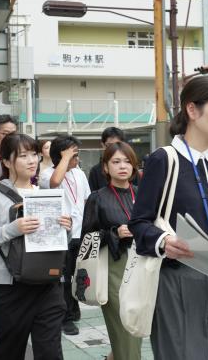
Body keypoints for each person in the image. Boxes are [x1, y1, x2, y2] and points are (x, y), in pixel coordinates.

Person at [129, 75, 208, 359]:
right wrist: (162, 241)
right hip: (179, 277)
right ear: (192, 110)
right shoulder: (164, 159)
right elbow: (139, 223)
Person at [0, 134, 72, 360]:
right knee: (9, 351)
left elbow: (58, 240)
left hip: (48, 283)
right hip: (9, 287)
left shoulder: (46, 193)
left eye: (34, 154)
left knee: (50, 352)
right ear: (6, 161)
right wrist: (12, 229)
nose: (32, 160)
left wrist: (67, 227)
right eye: (23, 156)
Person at [81, 142, 143, 360]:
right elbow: (87, 240)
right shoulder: (97, 197)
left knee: (137, 324)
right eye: (116, 162)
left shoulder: (143, 194)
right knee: (125, 324)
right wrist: (115, 233)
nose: (123, 166)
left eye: (127, 161)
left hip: (144, 265)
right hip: (113, 266)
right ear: (105, 168)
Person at [39, 135, 91, 336]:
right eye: (73, 154)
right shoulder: (47, 173)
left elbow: (86, 200)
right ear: (60, 156)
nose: (76, 158)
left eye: (76, 154)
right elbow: (54, 182)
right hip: (61, 234)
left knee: (78, 275)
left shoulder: (79, 174)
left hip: (81, 231)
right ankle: (65, 318)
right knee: (64, 278)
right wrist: (65, 158)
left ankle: (73, 308)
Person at [88, 127, 126, 192]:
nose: (114, 148)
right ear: (103, 145)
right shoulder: (95, 171)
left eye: (117, 144)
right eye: (110, 145)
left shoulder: (129, 167)